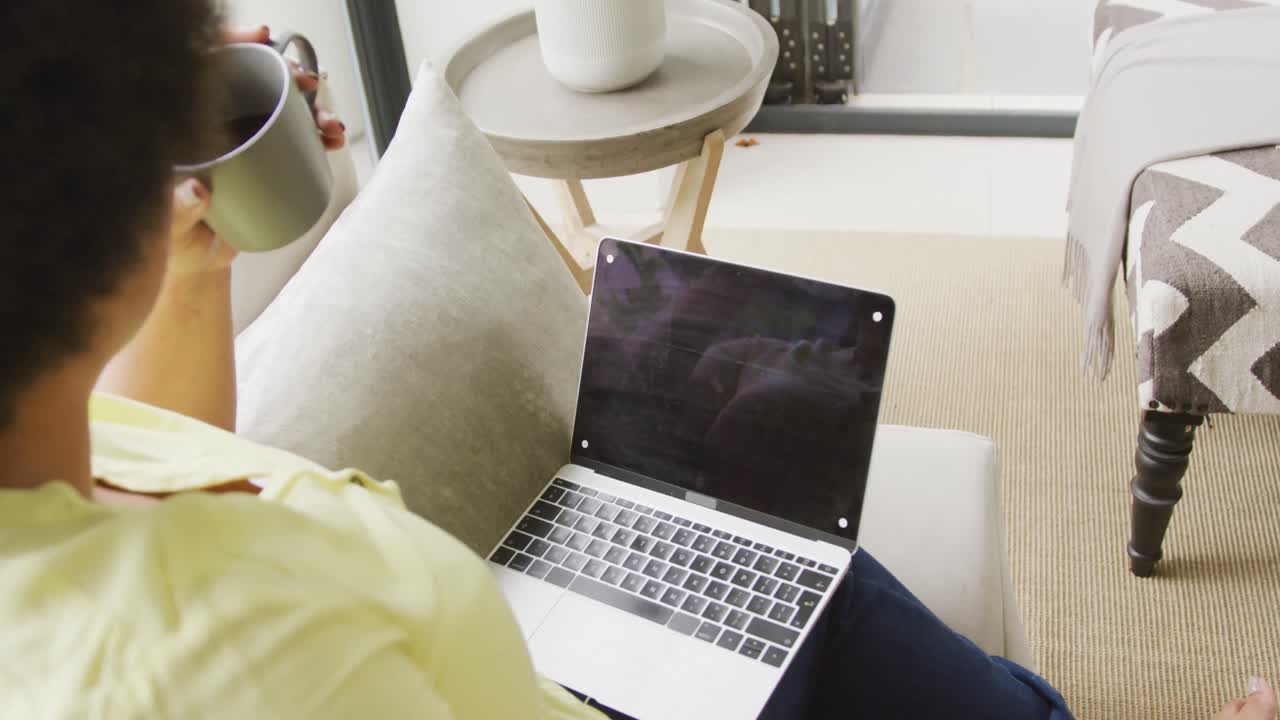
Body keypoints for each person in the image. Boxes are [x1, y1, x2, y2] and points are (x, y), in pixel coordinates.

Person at [0, 2, 1270, 718]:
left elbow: (153, 442)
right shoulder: (253, 667)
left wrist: (195, 273)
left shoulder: (51, 460)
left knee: (771, 524)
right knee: (842, 581)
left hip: (554, 625)